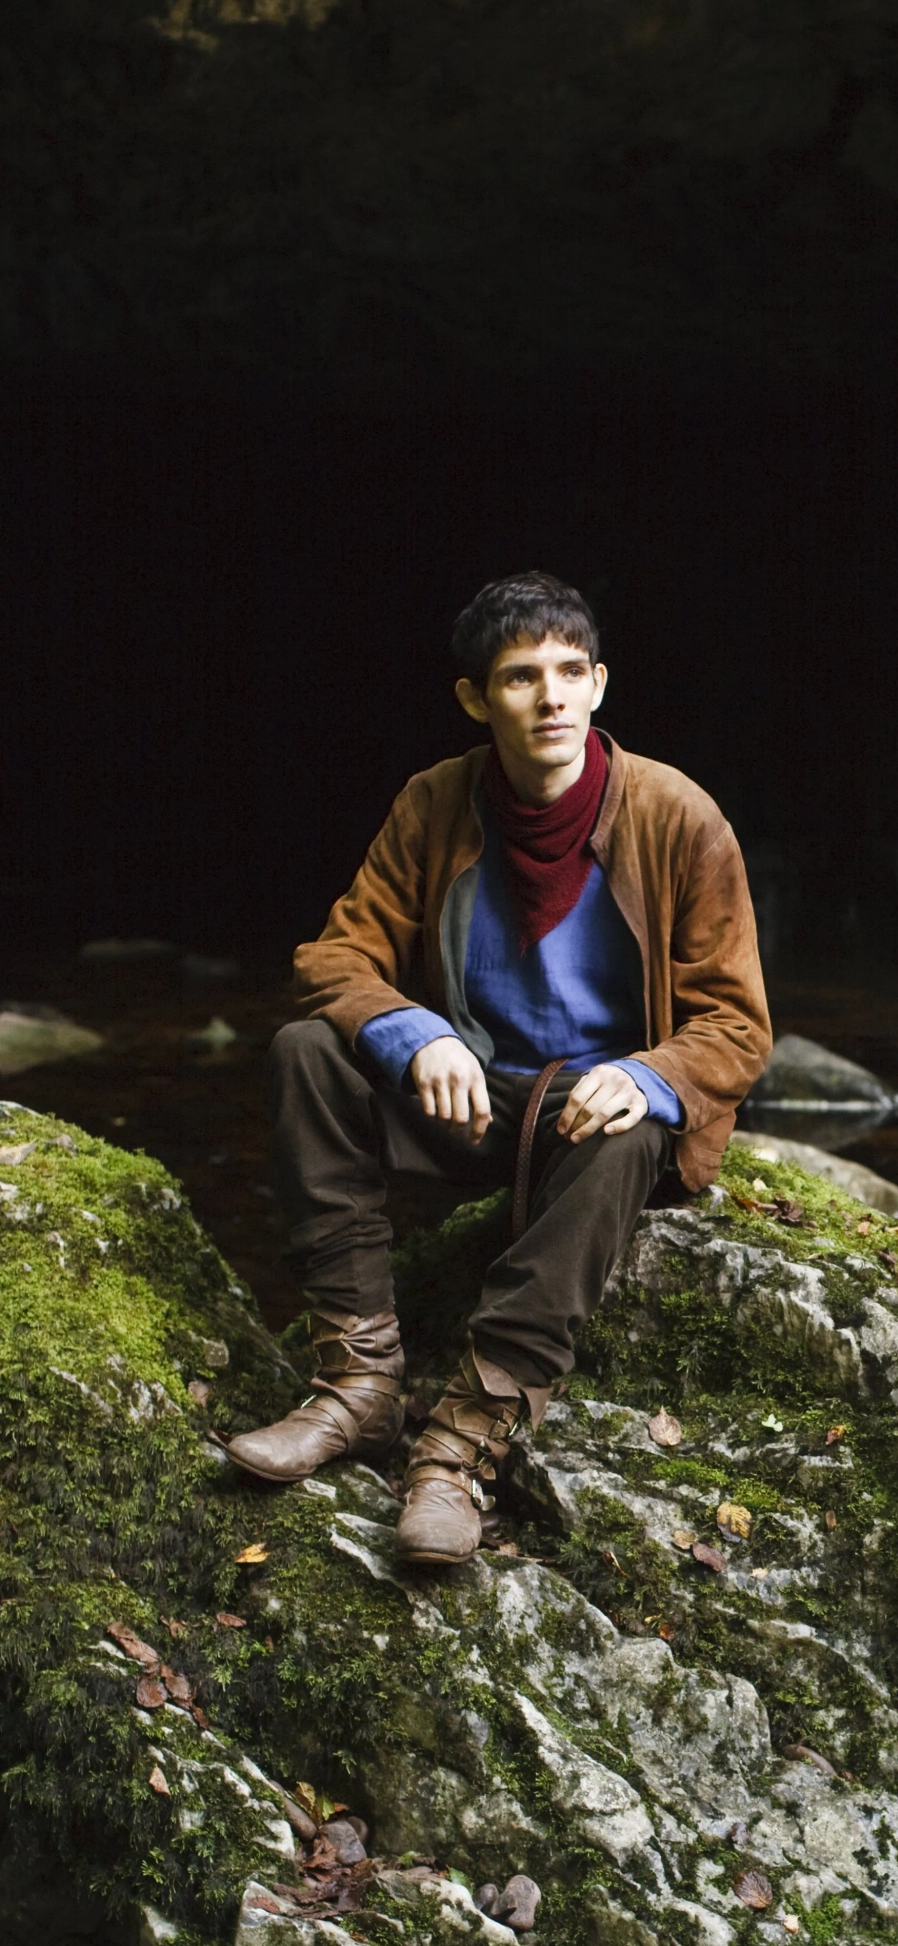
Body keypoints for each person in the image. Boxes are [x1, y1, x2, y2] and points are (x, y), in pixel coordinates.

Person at [227, 570, 770, 1563]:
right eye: (521, 677)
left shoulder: (679, 816)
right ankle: (358, 1385)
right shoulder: (436, 801)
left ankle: (462, 1442)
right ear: (477, 699)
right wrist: (413, 1032)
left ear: (599, 684)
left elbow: (735, 1024)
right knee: (308, 1051)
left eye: (570, 672)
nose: (550, 697)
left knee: (633, 1129)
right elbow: (335, 958)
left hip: (587, 1121)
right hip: (469, 1099)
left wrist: (649, 1075)